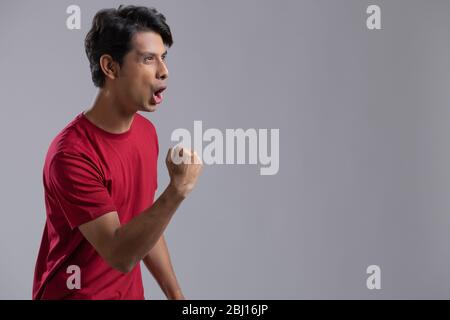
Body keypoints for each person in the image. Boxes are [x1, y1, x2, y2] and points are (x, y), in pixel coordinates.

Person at [32, 5, 202, 300]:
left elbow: (144, 220)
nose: (164, 71)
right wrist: (177, 190)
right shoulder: (71, 155)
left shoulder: (146, 133)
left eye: (163, 58)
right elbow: (119, 254)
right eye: (148, 59)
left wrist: (177, 297)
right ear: (110, 67)